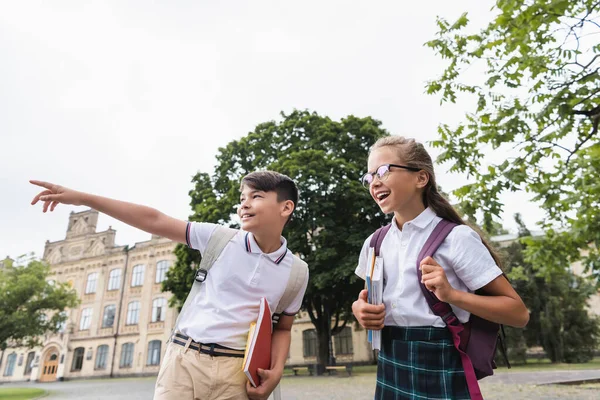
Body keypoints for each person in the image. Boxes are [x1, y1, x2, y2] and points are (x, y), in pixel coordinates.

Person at [30, 171, 309, 400]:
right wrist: (81, 198)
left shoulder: (296, 271)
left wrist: (277, 369)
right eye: (242, 198)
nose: (243, 204)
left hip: (235, 374)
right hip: (183, 361)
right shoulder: (218, 238)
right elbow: (154, 219)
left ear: (286, 207)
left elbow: (282, 327)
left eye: (256, 197)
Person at [352, 136, 529, 399]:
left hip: (440, 365)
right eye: (369, 176)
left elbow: (518, 313)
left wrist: (453, 295)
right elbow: (364, 298)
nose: (374, 181)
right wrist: (360, 309)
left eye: (384, 171)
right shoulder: (374, 243)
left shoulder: (456, 238)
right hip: (390, 360)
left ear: (421, 178)